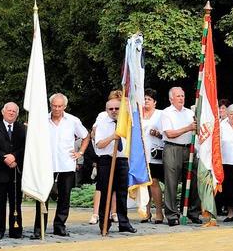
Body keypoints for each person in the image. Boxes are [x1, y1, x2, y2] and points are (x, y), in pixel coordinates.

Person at [90, 93, 136, 233]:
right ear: (106, 110)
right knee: (105, 192)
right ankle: (104, 223)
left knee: (122, 193)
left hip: (122, 159)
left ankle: (124, 223)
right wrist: (112, 137)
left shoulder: (126, 121)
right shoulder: (102, 122)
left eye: (117, 108)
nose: (114, 111)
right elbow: (99, 144)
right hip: (107, 160)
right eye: (111, 109)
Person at [45, 92, 87, 237]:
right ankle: (40, 227)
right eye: (54, 106)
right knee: (42, 195)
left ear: (65, 106)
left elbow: (86, 136)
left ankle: (59, 225)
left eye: (60, 106)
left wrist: (80, 152)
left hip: (66, 163)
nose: (57, 109)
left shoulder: (73, 120)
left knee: (64, 196)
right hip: (46, 164)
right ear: (50, 105)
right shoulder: (42, 119)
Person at [0, 101, 26, 239]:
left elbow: (25, 147)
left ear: (17, 114)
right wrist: (4, 158)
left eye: (14, 111)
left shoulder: (22, 129)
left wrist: (14, 157)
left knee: (16, 203)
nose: (11, 113)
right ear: (3, 112)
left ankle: (16, 231)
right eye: (9, 110)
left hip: (15, 171)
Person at [157, 86, 193, 226]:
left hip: (188, 148)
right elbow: (169, 133)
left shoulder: (190, 112)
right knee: (171, 182)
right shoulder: (166, 113)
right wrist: (188, 128)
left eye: (182, 96)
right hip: (172, 148)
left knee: (191, 179)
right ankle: (172, 214)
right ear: (171, 99)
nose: (181, 98)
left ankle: (190, 212)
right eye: (178, 96)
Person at [138, 90, 166, 223]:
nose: (146, 101)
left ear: (155, 102)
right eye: (144, 99)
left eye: (149, 99)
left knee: (154, 181)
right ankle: (146, 212)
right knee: (144, 183)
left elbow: (166, 133)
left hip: (155, 152)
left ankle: (159, 212)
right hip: (141, 153)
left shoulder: (160, 114)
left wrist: (158, 134)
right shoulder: (138, 114)